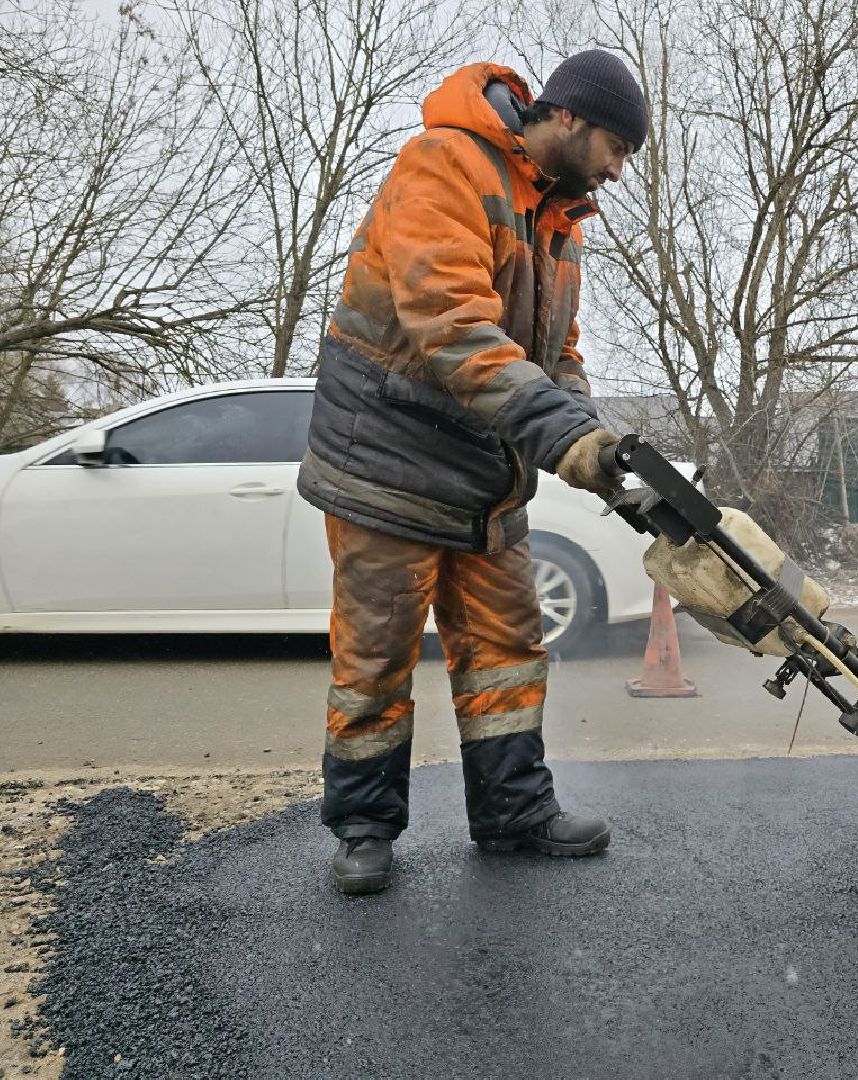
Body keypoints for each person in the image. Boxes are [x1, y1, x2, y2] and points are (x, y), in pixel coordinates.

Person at [297, 50, 649, 895]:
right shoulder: (444, 165)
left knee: (506, 648)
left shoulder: (560, 222)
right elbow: (450, 325)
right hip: (386, 465)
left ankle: (512, 812)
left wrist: (589, 438)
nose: (619, 169)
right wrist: (559, 437)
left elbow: (555, 355)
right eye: (617, 146)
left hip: (481, 476)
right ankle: (364, 827)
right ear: (569, 118)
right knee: (376, 657)